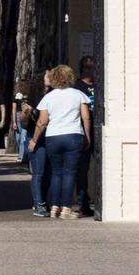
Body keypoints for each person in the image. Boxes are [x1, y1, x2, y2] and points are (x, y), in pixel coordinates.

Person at [30, 64, 92, 220]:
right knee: (70, 172)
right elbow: (86, 117)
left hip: (53, 137)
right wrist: (88, 136)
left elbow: (42, 121)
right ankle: (66, 208)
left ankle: (54, 207)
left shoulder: (48, 97)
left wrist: (34, 140)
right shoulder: (79, 94)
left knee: (56, 172)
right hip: (73, 135)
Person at [74, 56, 101, 217]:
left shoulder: (100, 85)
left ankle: (100, 201)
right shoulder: (77, 87)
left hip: (99, 131)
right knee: (82, 169)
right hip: (84, 132)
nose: (92, 70)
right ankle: (83, 202)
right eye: (89, 67)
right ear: (83, 69)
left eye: (94, 67)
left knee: (101, 166)